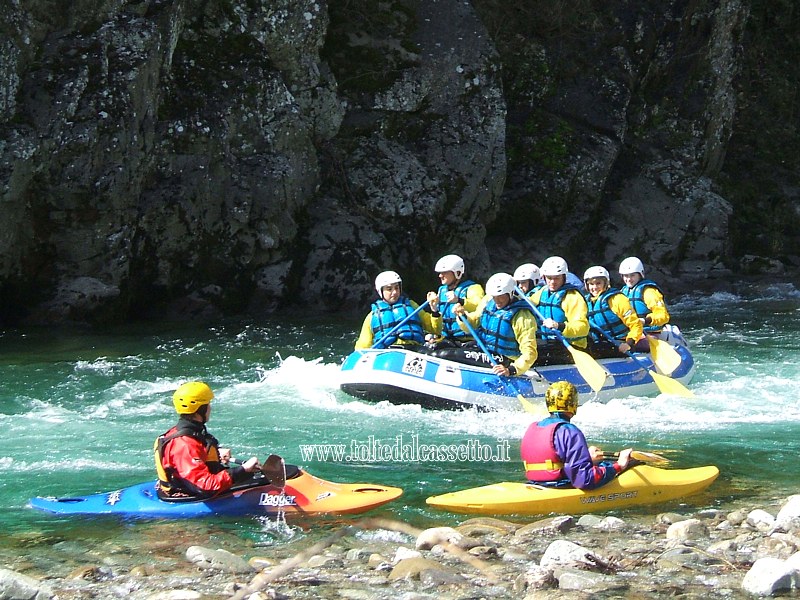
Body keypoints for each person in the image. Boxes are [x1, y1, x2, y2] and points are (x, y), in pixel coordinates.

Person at [154, 381, 264, 499]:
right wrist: (244, 469)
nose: (210, 408)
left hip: (193, 484)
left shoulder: (186, 432)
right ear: (200, 409)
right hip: (193, 494)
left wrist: (214, 454)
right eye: (208, 404)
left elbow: (195, 452)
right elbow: (206, 487)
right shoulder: (184, 444)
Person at [520, 381, 633, 489]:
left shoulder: (533, 427)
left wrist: (587, 458)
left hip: (536, 483)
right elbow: (585, 480)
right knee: (619, 466)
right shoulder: (569, 431)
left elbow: (556, 461)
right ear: (573, 403)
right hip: (559, 486)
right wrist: (619, 465)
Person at [453, 272, 537, 376]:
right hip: (486, 350)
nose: (497, 301)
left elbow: (530, 352)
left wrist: (511, 370)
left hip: (507, 359)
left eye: (501, 296)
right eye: (494, 296)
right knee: (443, 351)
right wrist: (462, 316)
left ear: (511, 293)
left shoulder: (522, 316)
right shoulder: (489, 303)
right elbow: (472, 323)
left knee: (451, 355)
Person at [529, 256, 589, 363]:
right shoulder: (543, 291)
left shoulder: (572, 296)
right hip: (550, 343)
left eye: (557, 278)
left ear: (564, 277)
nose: (552, 282)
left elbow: (583, 328)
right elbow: (527, 304)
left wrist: (558, 326)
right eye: (549, 278)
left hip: (571, 346)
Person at [355, 270, 434, 349]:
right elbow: (363, 346)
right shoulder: (372, 316)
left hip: (414, 350)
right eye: (389, 289)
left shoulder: (412, 305)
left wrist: (435, 310)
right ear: (381, 291)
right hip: (388, 353)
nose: (395, 292)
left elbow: (434, 329)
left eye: (397, 287)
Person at [583, 265, 643, 358]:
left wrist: (628, 343)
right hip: (599, 344)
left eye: (598, 283)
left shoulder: (617, 299)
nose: (594, 287)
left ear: (605, 283)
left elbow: (636, 325)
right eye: (591, 284)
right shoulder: (585, 302)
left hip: (620, 344)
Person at [425, 254, 484, 346]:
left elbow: (478, 306)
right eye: (440, 273)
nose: (440, 275)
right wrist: (434, 309)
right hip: (448, 339)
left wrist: (459, 300)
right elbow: (439, 322)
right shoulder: (441, 291)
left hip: (469, 341)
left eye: (444, 272)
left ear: (457, 273)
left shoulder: (474, 288)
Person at [618, 257, 670, 347]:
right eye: (626, 276)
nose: (629, 279)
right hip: (632, 333)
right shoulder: (623, 291)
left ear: (640, 275)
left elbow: (663, 316)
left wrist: (645, 320)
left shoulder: (648, 291)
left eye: (632, 275)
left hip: (650, 332)